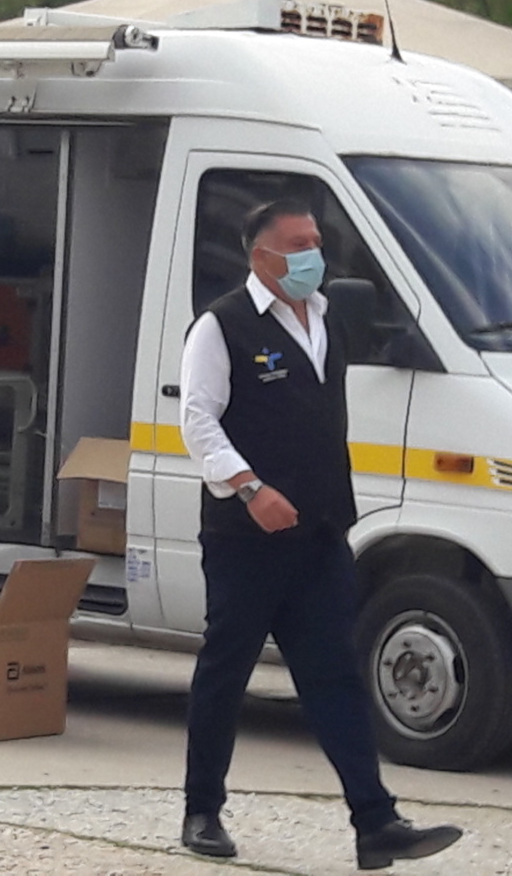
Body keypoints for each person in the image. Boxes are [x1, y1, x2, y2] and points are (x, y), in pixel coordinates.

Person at [177, 200, 462, 870]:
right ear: (261, 257)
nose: (314, 255)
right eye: (298, 245)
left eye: (316, 242)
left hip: (321, 531)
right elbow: (197, 420)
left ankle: (376, 822)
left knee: (335, 674)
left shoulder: (326, 316)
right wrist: (249, 487)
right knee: (226, 672)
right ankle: (202, 810)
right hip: (247, 536)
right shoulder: (221, 326)